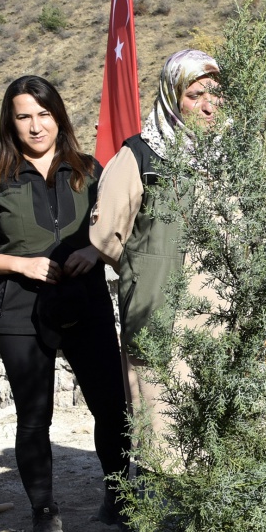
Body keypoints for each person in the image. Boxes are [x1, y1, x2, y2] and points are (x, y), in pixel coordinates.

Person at [0, 76, 130, 532]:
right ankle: (44, 513)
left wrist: (96, 252)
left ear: (59, 117)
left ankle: (120, 499)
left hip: (87, 303)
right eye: (24, 116)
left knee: (111, 407)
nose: (35, 125)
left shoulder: (90, 170)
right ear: (10, 122)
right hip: (20, 310)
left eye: (44, 114)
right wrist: (21, 263)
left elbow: (118, 225)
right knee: (33, 417)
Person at [90, 50, 223, 452]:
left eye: (216, 94)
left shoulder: (234, 155)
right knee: (165, 433)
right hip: (164, 314)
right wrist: (148, 266)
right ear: (171, 95)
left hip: (225, 317)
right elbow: (106, 235)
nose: (208, 105)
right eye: (195, 94)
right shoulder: (141, 154)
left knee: (222, 430)